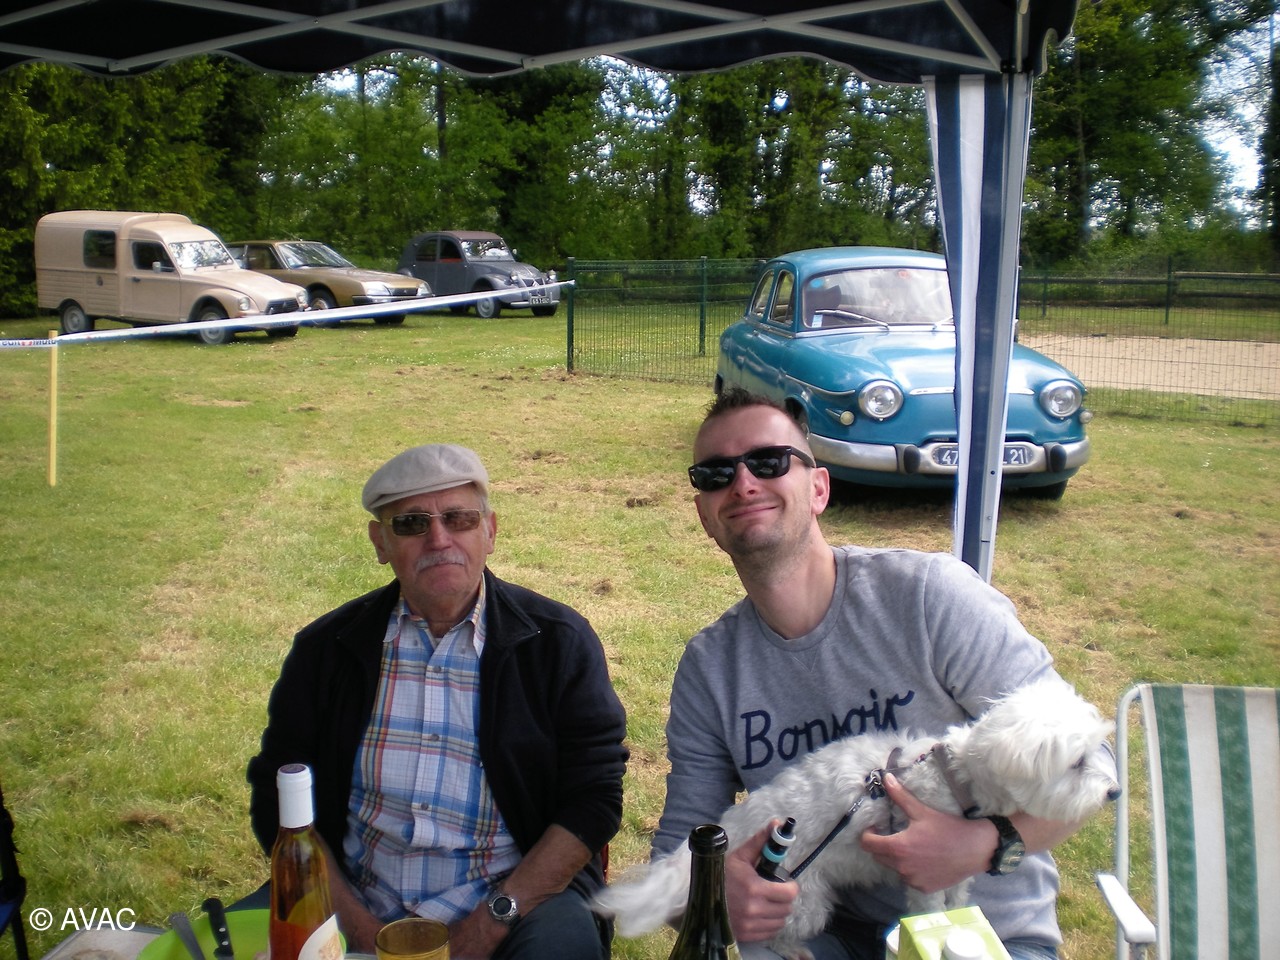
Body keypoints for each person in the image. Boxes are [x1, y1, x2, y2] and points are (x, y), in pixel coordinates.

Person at [655, 388, 1113, 960]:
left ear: (819, 489)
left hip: (981, 936)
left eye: (769, 461)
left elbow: (1094, 762)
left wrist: (982, 844)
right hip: (822, 935)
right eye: (716, 474)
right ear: (704, 514)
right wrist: (713, 892)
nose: (743, 483)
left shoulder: (930, 597)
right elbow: (679, 847)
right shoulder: (710, 668)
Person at [248, 443, 628, 960]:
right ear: (380, 542)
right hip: (354, 899)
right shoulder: (326, 650)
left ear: (490, 531)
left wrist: (489, 925)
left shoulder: (557, 643)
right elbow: (278, 796)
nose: (439, 539)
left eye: (459, 518)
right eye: (411, 523)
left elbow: (594, 797)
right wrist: (359, 931)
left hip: (513, 903)